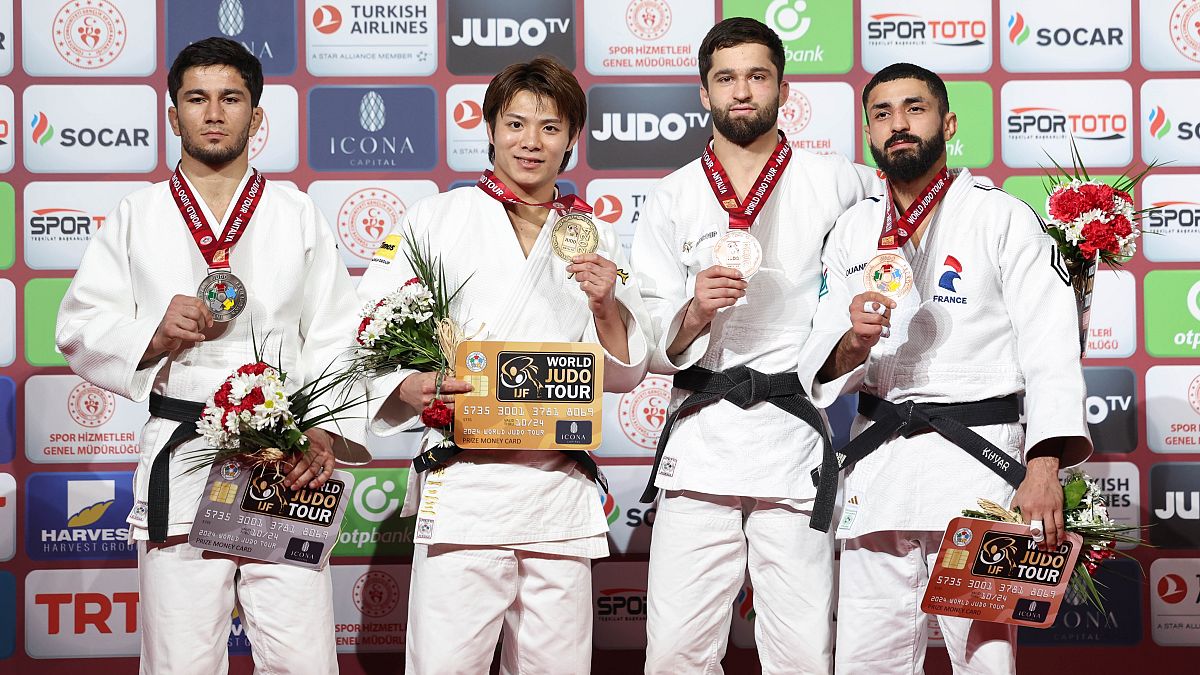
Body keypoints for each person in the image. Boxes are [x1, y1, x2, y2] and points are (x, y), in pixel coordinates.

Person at [55, 37, 367, 673]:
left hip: (285, 460)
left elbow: (336, 331)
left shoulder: (295, 213)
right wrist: (151, 334)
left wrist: (326, 431)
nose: (215, 113)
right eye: (197, 99)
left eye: (231, 99)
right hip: (184, 449)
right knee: (180, 658)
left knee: (302, 656)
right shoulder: (137, 215)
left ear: (257, 116)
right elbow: (79, 325)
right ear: (173, 115)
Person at [356, 56, 651, 674]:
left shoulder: (594, 235)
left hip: (557, 489)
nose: (530, 142)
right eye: (515, 123)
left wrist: (606, 304)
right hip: (464, 483)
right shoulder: (436, 219)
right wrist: (410, 385)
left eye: (550, 127)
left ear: (573, 138)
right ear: (489, 128)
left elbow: (624, 372)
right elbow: (370, 332)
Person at [799, 62, 1092, 674]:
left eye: (914, 109)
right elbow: (824, 362)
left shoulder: (1002, 217)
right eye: (882, 114)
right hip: (880, 465)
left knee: (983, 658)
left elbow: (1050, 349)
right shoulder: (854, 231)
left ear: (947, 123)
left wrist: (1043, 469)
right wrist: (852, 343)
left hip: (979, 467)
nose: (898, 125)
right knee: (865, 659)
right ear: (869, 133)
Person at [630, 17, 880, 674]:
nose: (743, 91)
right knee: (677, 652)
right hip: (701, 439)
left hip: (794, 439)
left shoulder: (840, 182)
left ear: (782, 87)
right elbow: (650, 334)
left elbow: (908, 231)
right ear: (704, 93)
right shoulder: (673, 195)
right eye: (727, 78)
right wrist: (693, 311)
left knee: (801, 651)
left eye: (757, 76)